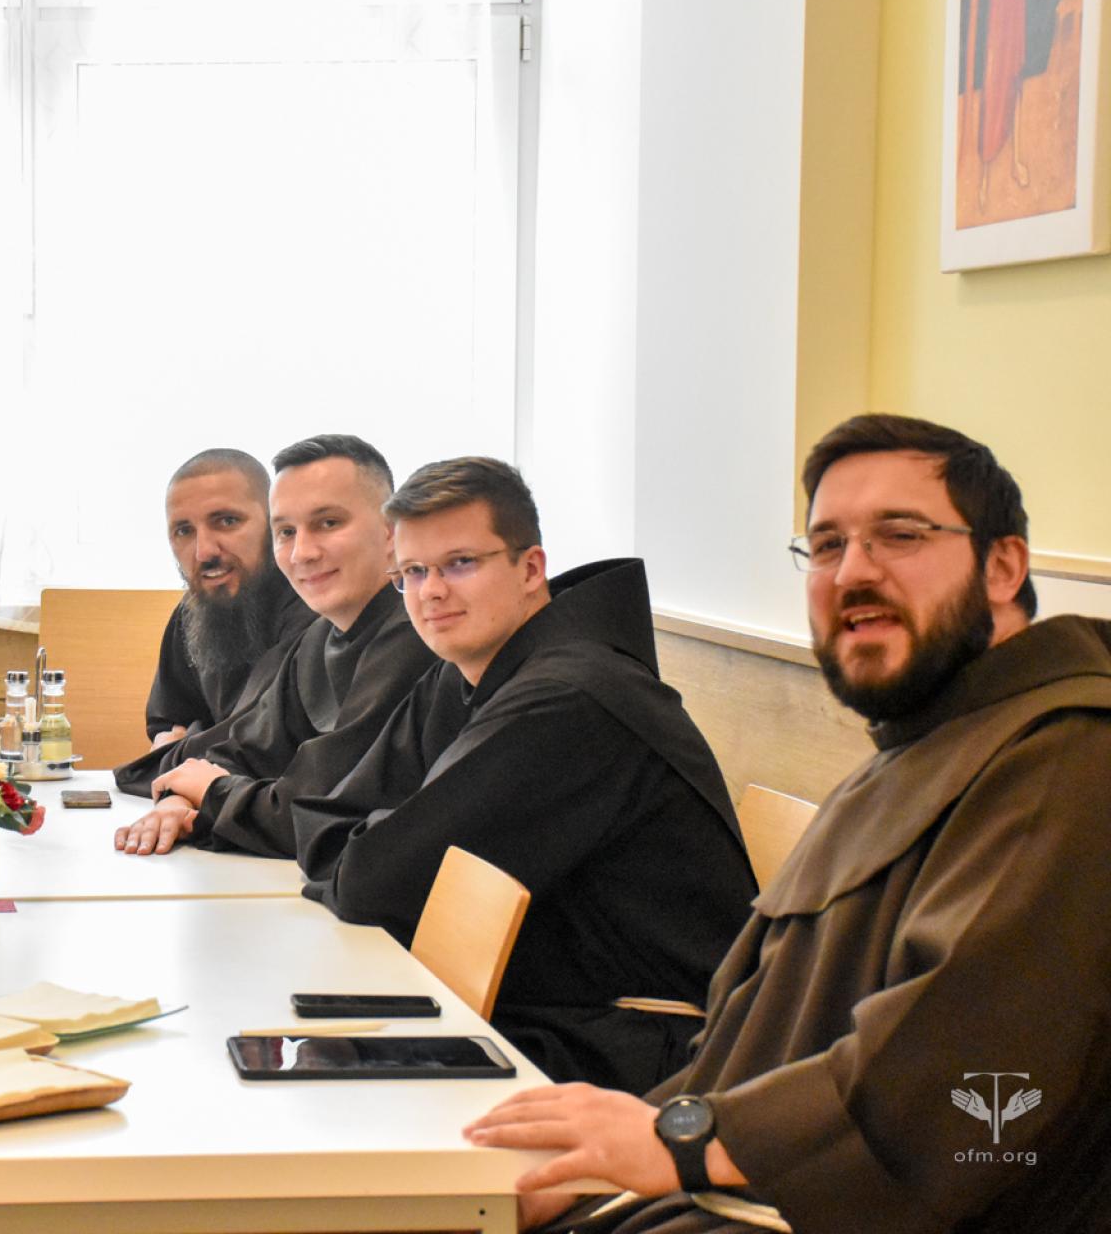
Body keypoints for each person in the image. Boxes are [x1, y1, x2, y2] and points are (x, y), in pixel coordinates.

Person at [466, 415, 1111, 1233]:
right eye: (828, 544)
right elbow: (747, 1053)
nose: (854, 571)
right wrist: (599, 1154)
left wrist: (682, 1141)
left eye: (901, 535)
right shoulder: (922, 746)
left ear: (1003, 565)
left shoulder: (1068, 758)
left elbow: (959, 1084)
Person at [293, 457, 754, 1092]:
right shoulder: (467, 670)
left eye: (460, 563)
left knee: (320, 1085)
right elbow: (324, 818)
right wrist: (381, 837)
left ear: (532, 569)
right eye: (413, 572)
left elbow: (370, 883)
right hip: (550, 1012)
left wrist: (379, 838)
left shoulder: (567, 699)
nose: (431, 592)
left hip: (639, 1051)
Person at [113, 435, 436, 858]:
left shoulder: (416, 633)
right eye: (286, 532)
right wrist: (179, 800)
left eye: (328, 523)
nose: (302, 552)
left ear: (391, 531)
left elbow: (314, 810)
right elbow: (243, 750)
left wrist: (209, 793)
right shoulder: (321, 639)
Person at [144, 448, 315, 748]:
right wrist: (171, 744)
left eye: (226, 521)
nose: (204, 551)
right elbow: (168, 724)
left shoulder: (312, 605)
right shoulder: (193, 613)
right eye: (184, 531)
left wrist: (183, 749)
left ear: (273, 524)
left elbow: (262, 737)